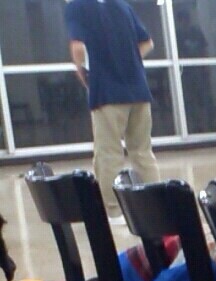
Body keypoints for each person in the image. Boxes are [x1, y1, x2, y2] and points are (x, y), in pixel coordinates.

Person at [64, 0, 161, 224]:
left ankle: (114, 211)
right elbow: (147, 42)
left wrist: (83, 73)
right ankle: (155, 205)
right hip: (139, 91)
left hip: (107, 93)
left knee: (108, 153)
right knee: (142, 152)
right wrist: (127, 60)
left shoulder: (77, 6)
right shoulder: (122, 6)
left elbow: (78, 48)